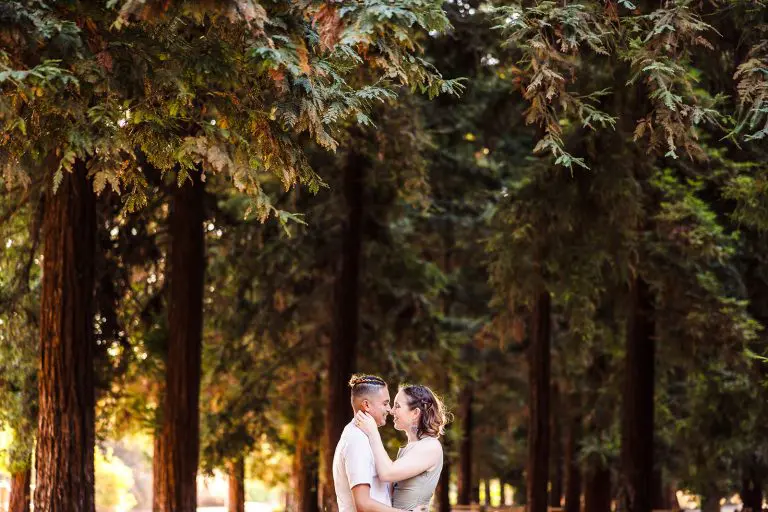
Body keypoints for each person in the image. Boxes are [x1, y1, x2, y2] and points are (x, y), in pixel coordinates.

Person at [332, 374, 428, 512]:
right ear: (366, 405)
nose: (389, 409)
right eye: (385, 403)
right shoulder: (356, 441)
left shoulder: (366, 437)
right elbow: (363, 504)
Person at [354, 384, 448, 510]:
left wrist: (373, 433)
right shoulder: (410, 448)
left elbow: (387, 473)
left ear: (415, 413)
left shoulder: (431, 447)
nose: (391, 411)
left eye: (397, 406)